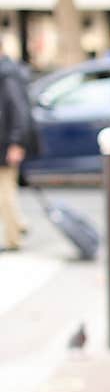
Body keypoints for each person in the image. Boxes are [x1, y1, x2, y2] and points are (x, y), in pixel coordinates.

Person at [0, 41, 31, 252]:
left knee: (5, 192)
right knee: (6, 189)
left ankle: (13, 238)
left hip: (6, 143)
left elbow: (17, 110)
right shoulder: (8, 70)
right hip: (7, 141)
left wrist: (16, 142)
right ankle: (19, 225)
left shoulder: (7, 74)